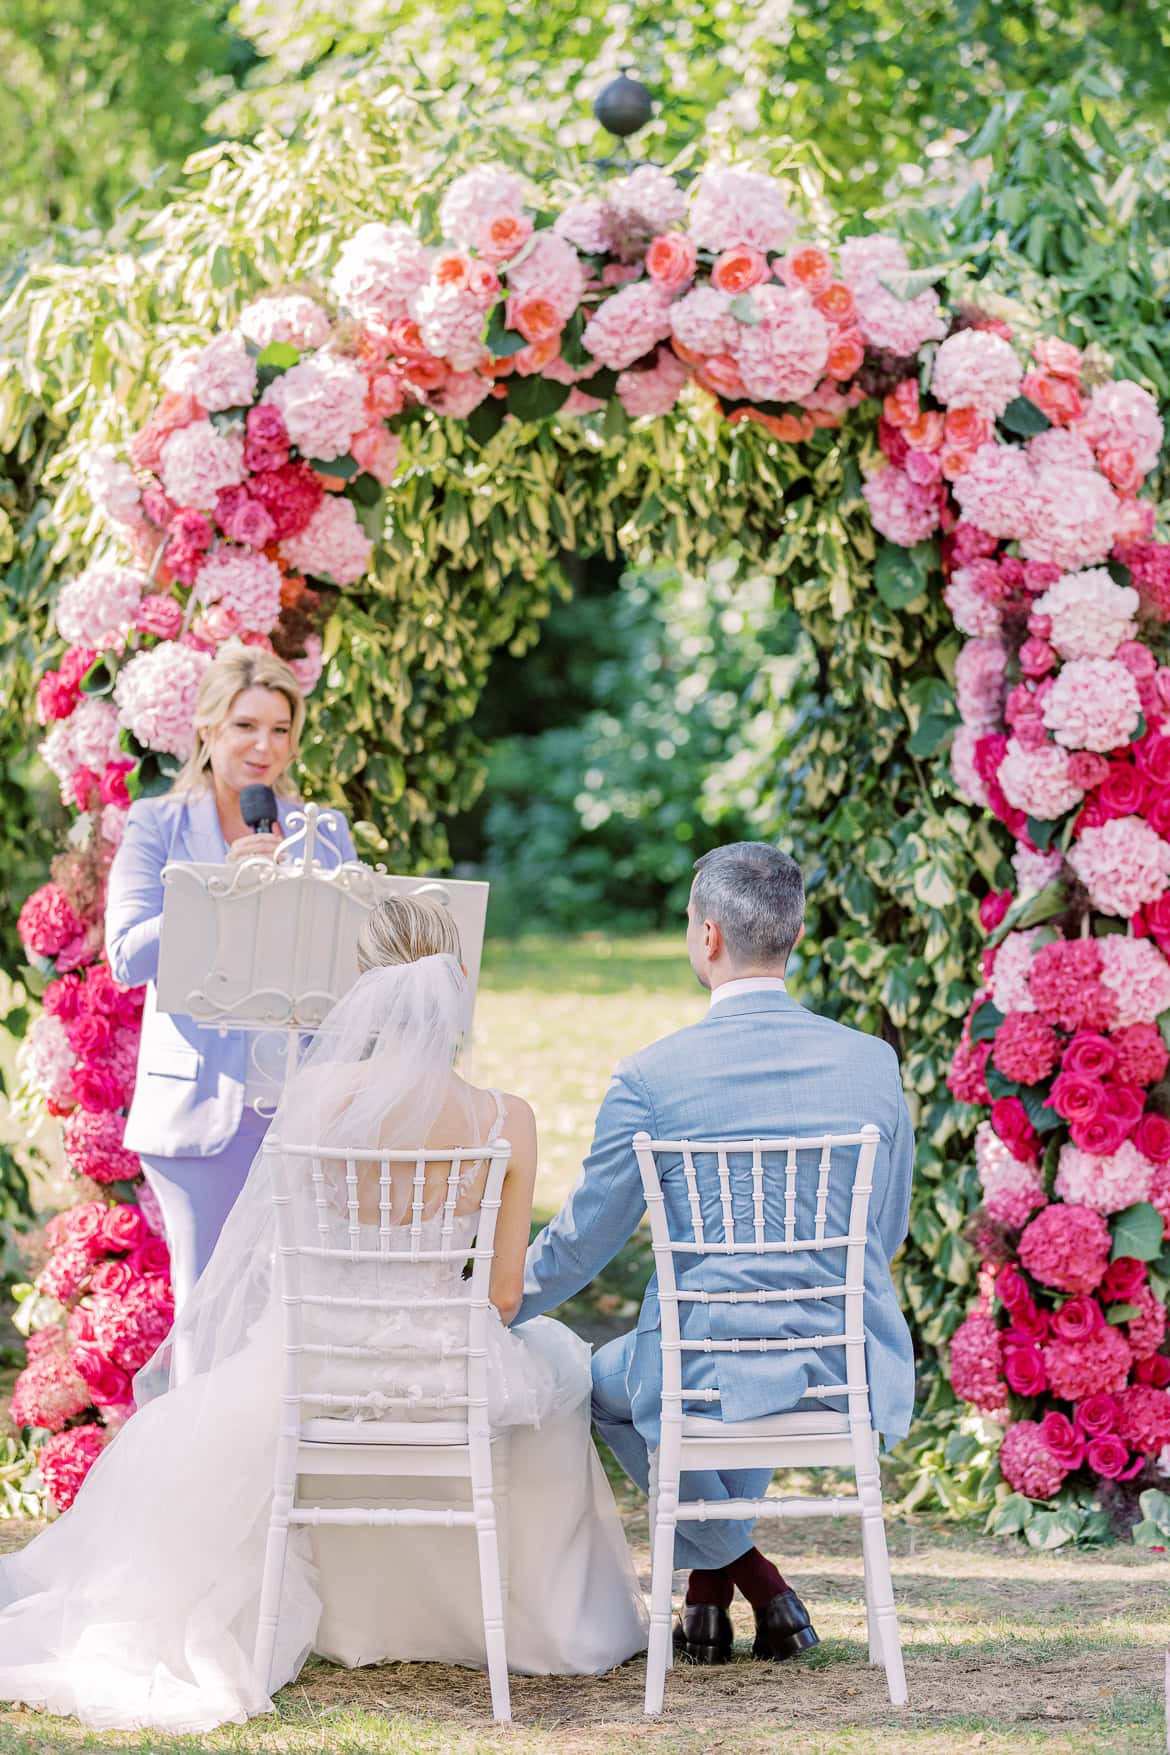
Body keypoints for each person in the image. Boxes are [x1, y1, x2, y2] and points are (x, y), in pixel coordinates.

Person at [0, 896, 646, 1733]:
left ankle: (341, 1617)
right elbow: (504, 1297)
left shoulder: (314, 1099)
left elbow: (277, 1255)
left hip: (318, 1361)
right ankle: (539, 1620)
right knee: (556, 1377)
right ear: (455, 985)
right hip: (442, 1369)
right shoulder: (506, 1119)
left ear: (362, 989)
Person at [517, 841, 915, 1665]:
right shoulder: (874, 1065)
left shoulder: (651, 1078)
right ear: (794, 932)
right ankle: (743, 1571)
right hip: (839, 1361)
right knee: (758, 1353)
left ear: (706, 938)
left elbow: (585, 1240)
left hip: (699, 1365)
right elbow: (887, 1229)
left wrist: (500, 1294)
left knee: (601, 1384)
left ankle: (726, 1572)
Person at [104, 643, 355, 1315]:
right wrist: (227, 893)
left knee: (290, 1317)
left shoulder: (323, 832)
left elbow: (354, 971)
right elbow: (126, 955)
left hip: (301, 1115)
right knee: (207, 1312)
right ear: (207, 728)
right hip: (198, 1115)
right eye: (245, 725)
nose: (262, 747)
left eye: (280, 729)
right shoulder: (155, 824)